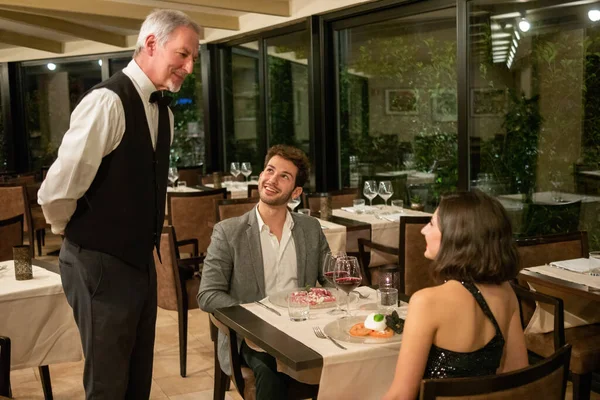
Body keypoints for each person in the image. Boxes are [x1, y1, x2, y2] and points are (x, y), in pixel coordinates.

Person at [37, 10, 200, 399]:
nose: (189, 67)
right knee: (108, 384)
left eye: (194, 57)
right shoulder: (106, 102)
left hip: (140, 262)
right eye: (183, 54)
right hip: (98, 262)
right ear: (150, 44)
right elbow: (56, 192)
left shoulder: (166, 113)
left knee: (136, 378)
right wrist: (75, 235)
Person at [197, 144, 329, 400]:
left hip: (304, 330)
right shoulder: (228, 232)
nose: (272, 180)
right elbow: (208, 295)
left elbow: (330, 280)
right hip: (252, 336)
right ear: (260, 175)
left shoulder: (311, 229)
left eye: (284, 176)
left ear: (296, 191)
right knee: (272, 371)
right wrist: (257, 319)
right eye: (270, 170)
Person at [383, 190, 529, 400]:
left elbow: (401, 396)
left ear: (456, 236)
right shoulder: (506, 292)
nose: (423, 230)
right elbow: (517, 375)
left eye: (432, 224)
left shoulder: (427, 302)